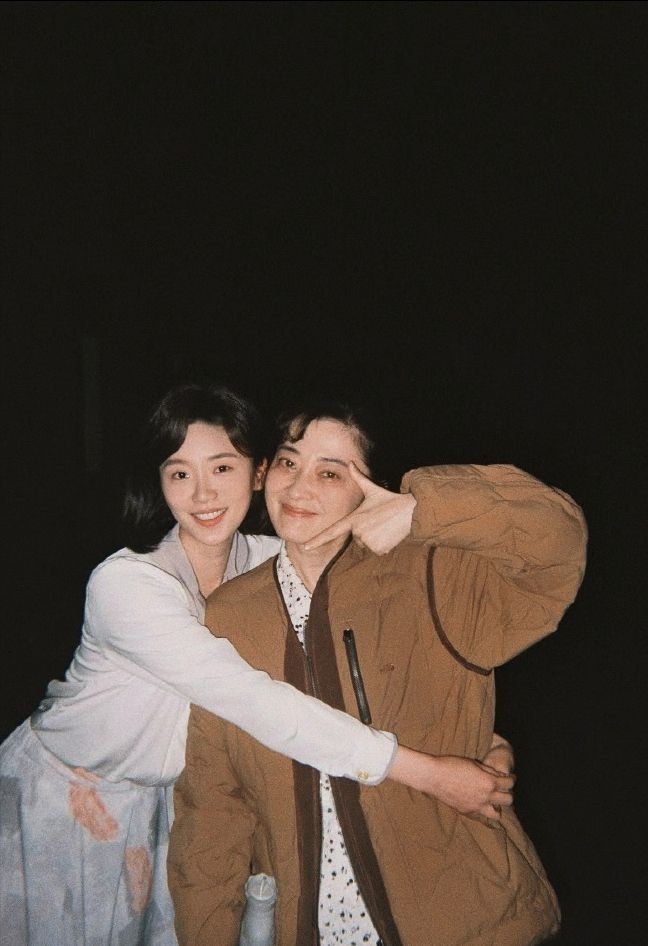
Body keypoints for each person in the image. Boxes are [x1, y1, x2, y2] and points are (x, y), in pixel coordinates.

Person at [0, 383, 514, 946]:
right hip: (65, 798)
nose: (202, 494)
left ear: (259, 472)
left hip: (161, 802)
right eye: (179, 473)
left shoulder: (264, 564)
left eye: (222, 468)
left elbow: (367, 599)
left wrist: (467, 732)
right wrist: (430, 772)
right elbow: (256, 701)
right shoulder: (126, 585)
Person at [168, 401, 587, 946]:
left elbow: (558, 543)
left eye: (330, 473)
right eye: (290, 463)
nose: (299, 488)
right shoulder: (231, 612)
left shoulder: (431, 575)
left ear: (370, 490)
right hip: (311, 927)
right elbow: (214, 806)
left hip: (461, 920)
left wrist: (422, 509)